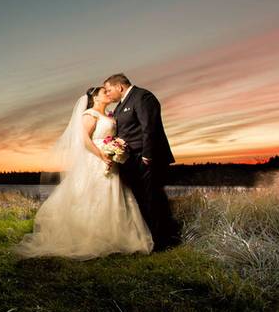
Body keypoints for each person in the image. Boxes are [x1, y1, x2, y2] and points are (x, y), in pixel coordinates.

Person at [12, 86, 153, 260]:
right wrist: (101, 155)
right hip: (96, 158)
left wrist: (117, 147)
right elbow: (85, 139)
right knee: (94, 195)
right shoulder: (90, 115)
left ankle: (117, 237)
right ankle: (90, 236)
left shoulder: (109, 115)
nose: (108, 94)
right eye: (104, 92)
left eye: (108, 92)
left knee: (115, 194)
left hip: (110, 158)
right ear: (95, 97)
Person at [101, 73, 180, 250]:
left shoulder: (143, 97)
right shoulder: (121, 105)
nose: (108, 94)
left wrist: (148, 155)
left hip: (146, 158)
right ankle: (150, 238)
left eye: (109, 90)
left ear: (119, 87)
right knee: (141, 199)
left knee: (152, 198)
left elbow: (149, 127)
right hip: (130, 159)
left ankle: (162, 242)